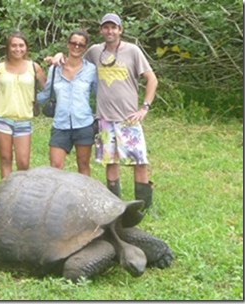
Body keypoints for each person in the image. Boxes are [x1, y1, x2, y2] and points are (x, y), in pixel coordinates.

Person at [48, 13, 158, 211]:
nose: (110, 31)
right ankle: (115, 204)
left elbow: (152, 79)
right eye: (106, 27)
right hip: (105, 118)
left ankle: (144, 206)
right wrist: (58, 57)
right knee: (111, 161)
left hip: (129, 118)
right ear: (101, 30)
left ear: (120, 30)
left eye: (114, 27)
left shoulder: (132, 51)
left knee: (139, 161)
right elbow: (74, 57)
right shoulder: (95, 52)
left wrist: (145, 107)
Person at [37, 30, 97, 176]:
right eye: (73, 43)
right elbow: (46, 94)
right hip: (60, 124)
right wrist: (26, 99)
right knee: (55, 166)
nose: (76, 47)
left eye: (81, 45)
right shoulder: (55, 69)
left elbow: (100, 95)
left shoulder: (91, 70)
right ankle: (56, 198)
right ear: (68, 44)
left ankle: (84, 198)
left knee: (83, 165)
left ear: (85, 47)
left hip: (84, 124)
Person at [0, 31, 46, 179]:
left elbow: (47, 89)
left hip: (23, 119)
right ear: (8, 48)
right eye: (13, 45)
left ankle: (22, 192)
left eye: (21, 45)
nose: (17, 49)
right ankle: (5, 191)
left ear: (26, 48)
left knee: (23, 162)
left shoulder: (34, 67)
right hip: (1, 117)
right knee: (6, 158)